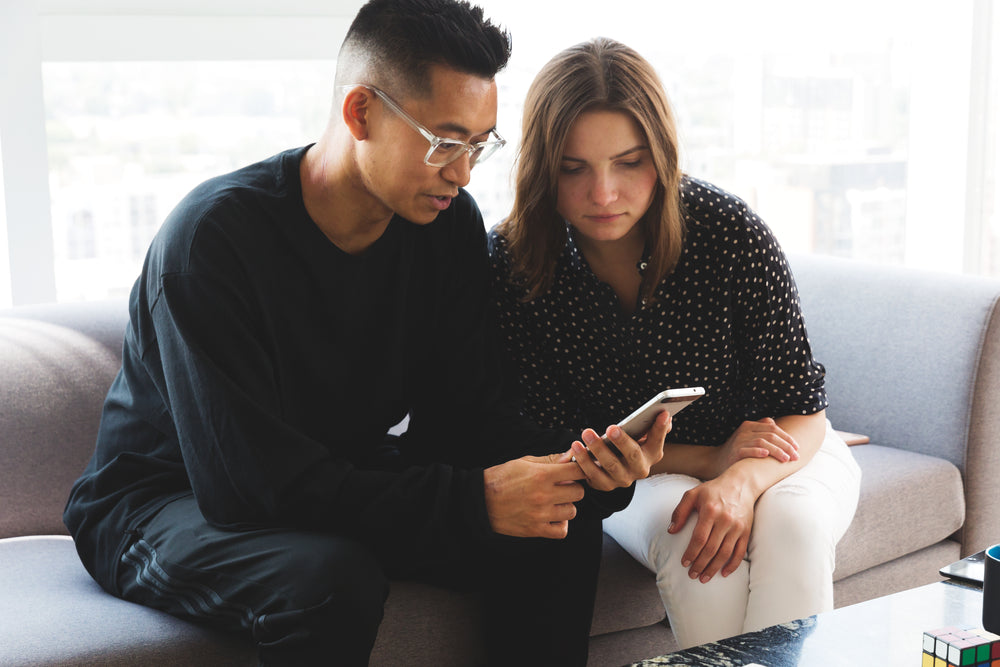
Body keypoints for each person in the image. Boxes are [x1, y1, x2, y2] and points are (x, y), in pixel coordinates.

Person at [63, 6, 668, 665]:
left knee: (557, 520)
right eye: (445, 142)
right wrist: (471, 500)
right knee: (326, 578)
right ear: (360, 113)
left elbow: (468, 417)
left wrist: (583, 465)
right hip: (161, 504)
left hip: (328, 475)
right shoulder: (214, 243)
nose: (463, 173)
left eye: (477, 145)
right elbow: (247, 489)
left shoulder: (446, 228)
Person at [489, 37, 862, 649]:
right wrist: (706, 464)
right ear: (540, 167)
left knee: (791, 526)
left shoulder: (729, 233)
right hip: (641, 476)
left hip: (778, 452)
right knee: (695, 538)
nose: (603, 193)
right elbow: (552, 439)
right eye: (573, 167)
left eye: (628, 162)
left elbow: (801, 407)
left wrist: (738, 480)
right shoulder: (514, 267)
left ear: (661, 156)